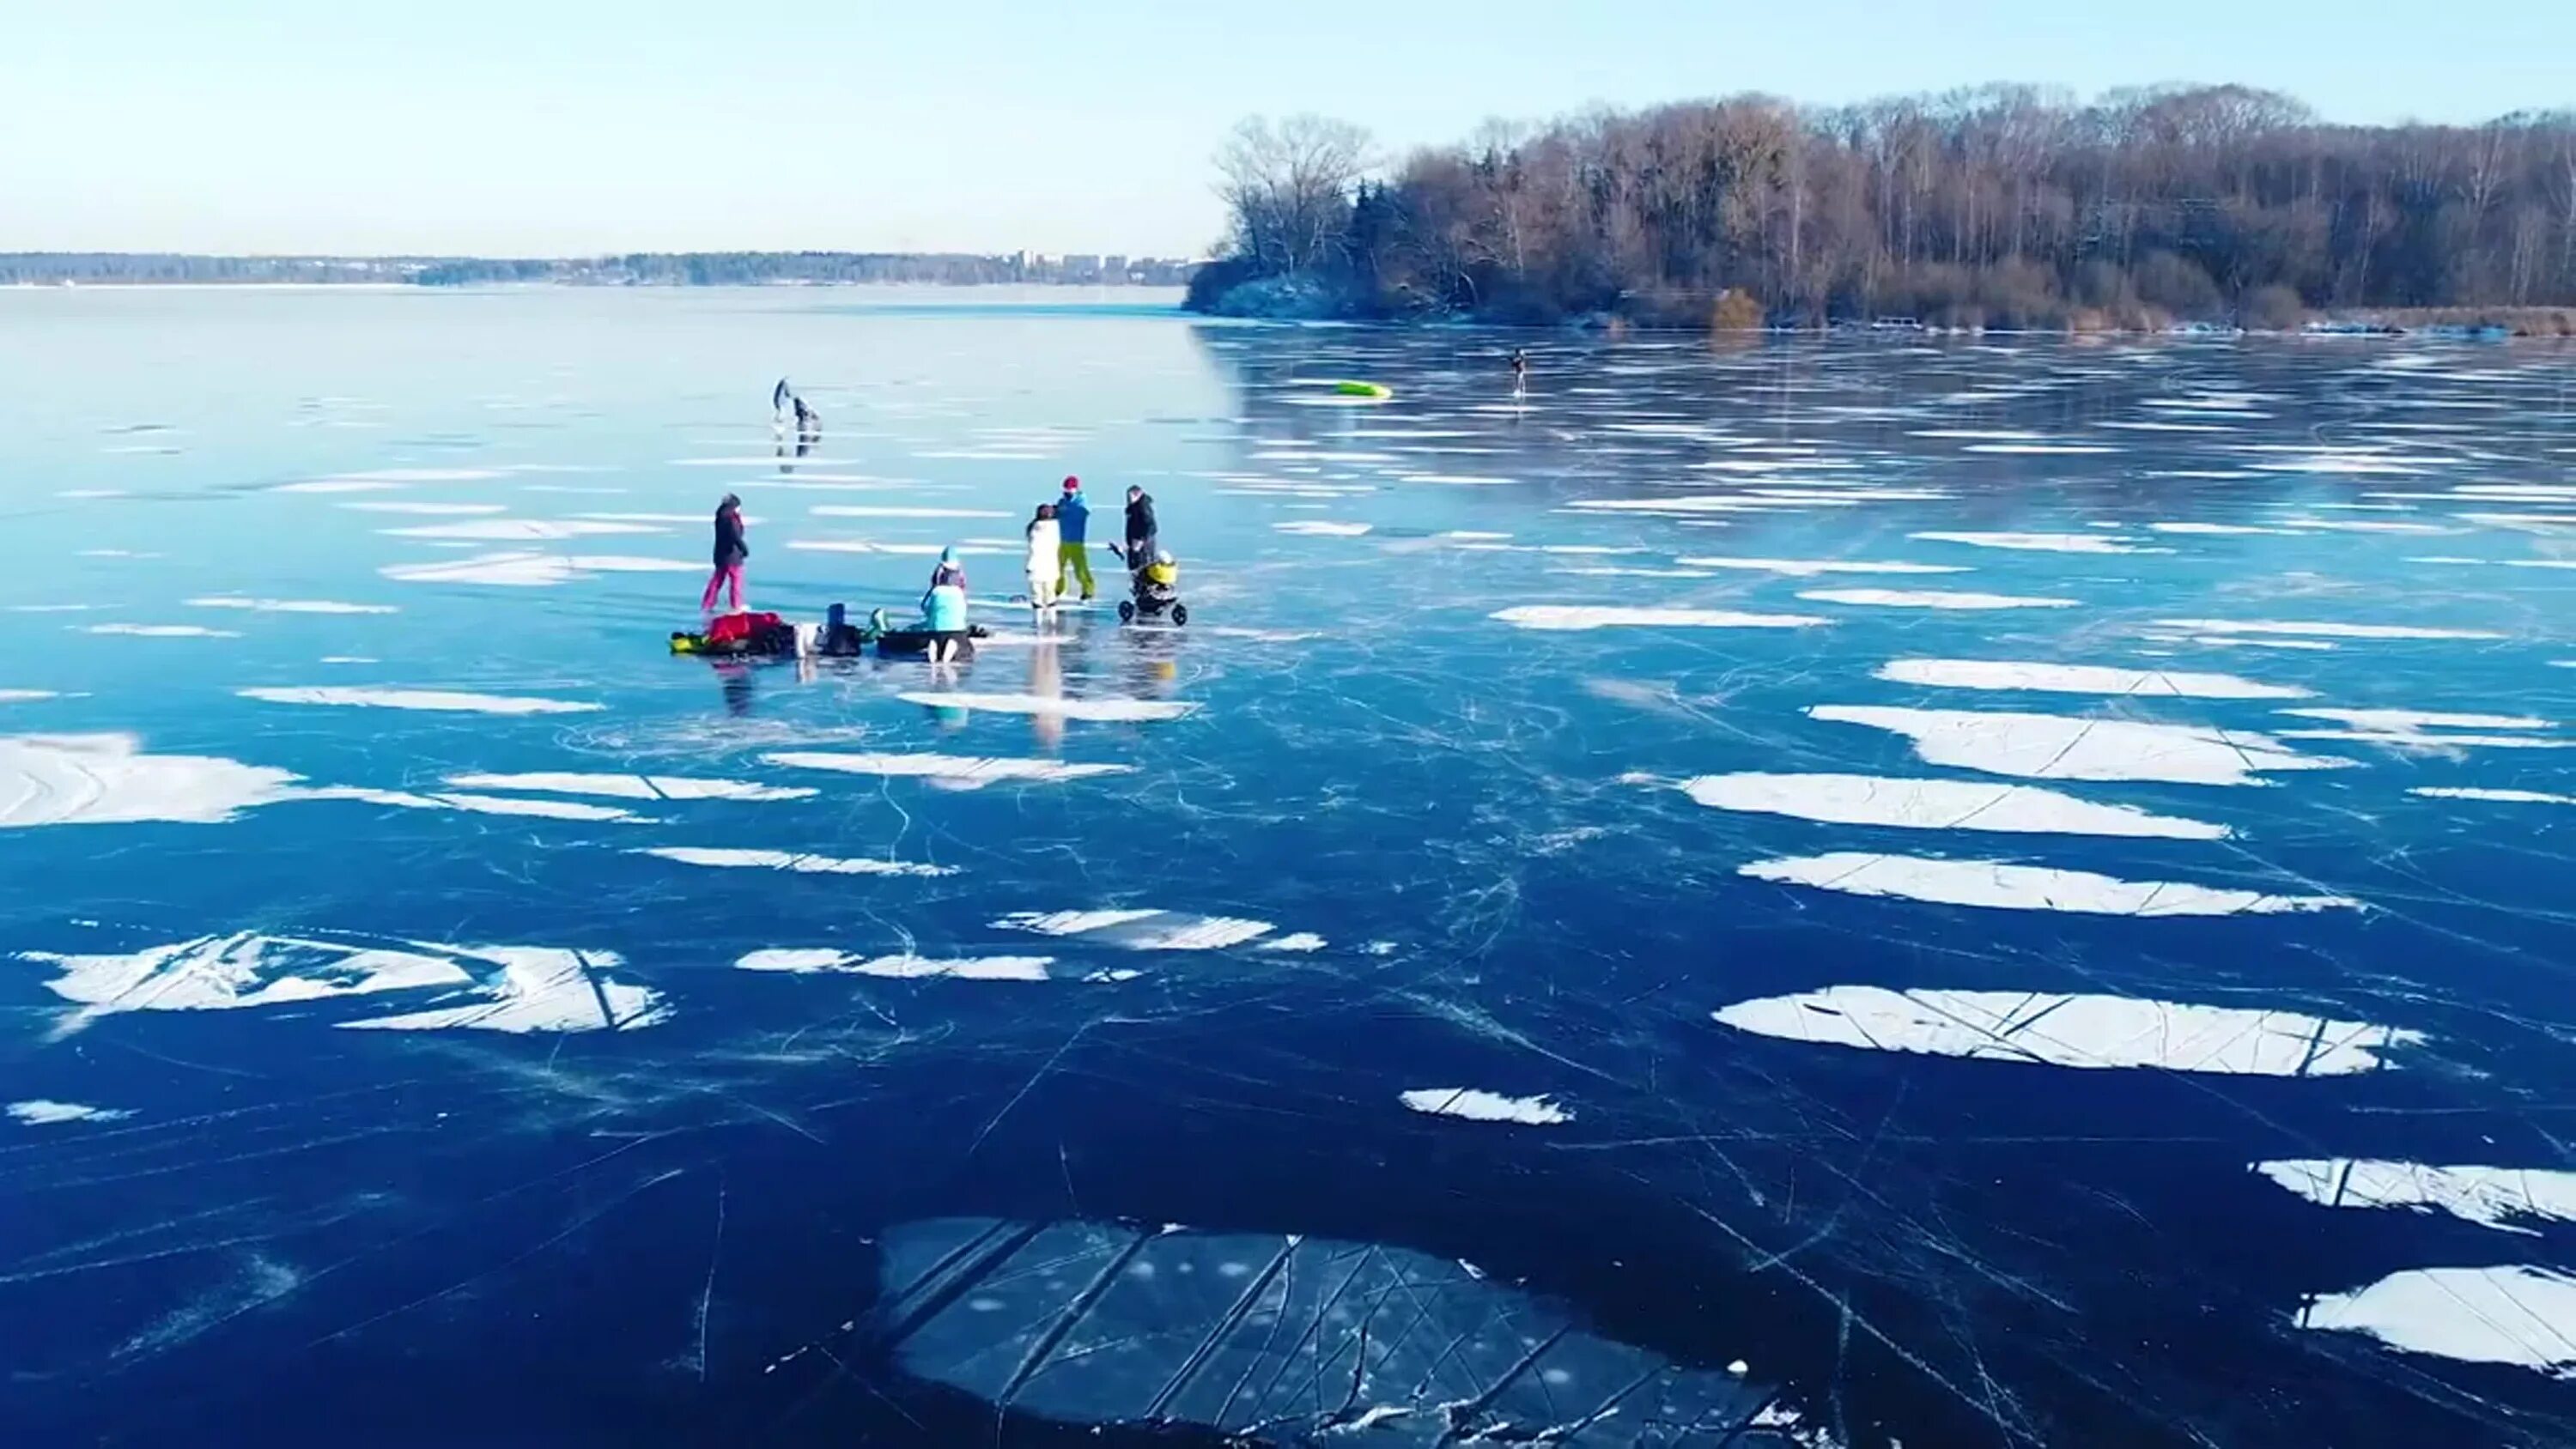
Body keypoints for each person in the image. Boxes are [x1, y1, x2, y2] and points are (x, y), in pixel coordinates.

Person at [701, 493, 748, 613]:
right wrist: (743, 549)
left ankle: (707, 605)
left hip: (721, 555)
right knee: (736, 582)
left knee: (717, 581)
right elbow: (735, 536)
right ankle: (736, 607)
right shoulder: (731, 519)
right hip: (733, 556)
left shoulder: (720, 517)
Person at [921, 552, 969, 664]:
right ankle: (952, 646)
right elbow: (963, 610)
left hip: (936, 628)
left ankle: (935, 646)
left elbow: (925, 607)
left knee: (935, 634)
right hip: (957, 627)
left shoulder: (936, 590)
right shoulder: (959, 590)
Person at [1055, 476, 1097, 602]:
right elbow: (1058, 514)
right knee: (1058, 567)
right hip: (1062, 539)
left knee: (1080, 568)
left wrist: (1064, 511)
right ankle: (1058, 588)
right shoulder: (1062, 501)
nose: (1068, 490)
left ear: (1076, 488)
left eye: (1070, 488)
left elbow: (1081, 513)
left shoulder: (1081, 501)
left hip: (1076, 540)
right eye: (1066, 488)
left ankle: (1088, 589)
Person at [1024, 504, 1062, 611]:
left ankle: (1038, 604)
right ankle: (1050, 602)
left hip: (1038, 565)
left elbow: (1034, 549)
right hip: (1051, 564)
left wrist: (1030, 565)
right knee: (1050, 587)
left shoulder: (1037, 529)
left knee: (1037, 588)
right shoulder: (1055, 527)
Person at [1121, 485, 1157, 568]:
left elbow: (1150, 524)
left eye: (1131, 496)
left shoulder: (1143, 507)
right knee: (1136, 564)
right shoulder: (1133, 507)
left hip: (1142, 543)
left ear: (1139, 494)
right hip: (1135, 541)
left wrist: (1141, 539)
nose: (1129, 499)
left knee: (1142, 564)